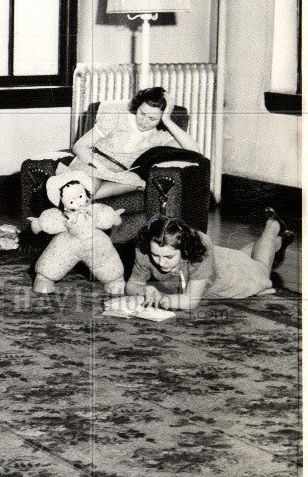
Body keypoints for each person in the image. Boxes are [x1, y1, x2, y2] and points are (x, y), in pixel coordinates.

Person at [121, 211, 294, 312]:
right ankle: (281, 241)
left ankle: (273, 226)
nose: (160, 263)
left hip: (227, 277)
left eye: (168, 257)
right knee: (243, 259)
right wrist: (145, 289)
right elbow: (132, 285)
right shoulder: (144, 249)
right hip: (214, 261)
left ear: (185, 249)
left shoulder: (198, 249)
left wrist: (164, 299)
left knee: (262, 271)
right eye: (155, 255)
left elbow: (191, 300)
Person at [69, 86, 201, 199]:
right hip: (93, 163)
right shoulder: (117, 116)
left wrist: (167, 119)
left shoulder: (159, 136)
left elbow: (194, 151)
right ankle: (76, 193)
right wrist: (102, 170)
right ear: (137, 107)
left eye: (152, 118)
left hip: (122, 176)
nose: (144, 121)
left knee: (137, 182)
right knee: (89, 189)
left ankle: (71, 194)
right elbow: (79, 146)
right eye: (142, 113)